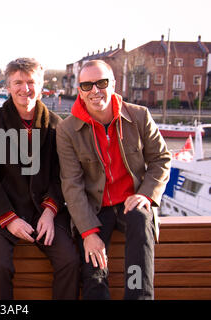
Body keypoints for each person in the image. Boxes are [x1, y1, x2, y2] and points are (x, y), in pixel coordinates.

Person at [56, 59, 171, 300]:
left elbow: (161, 158)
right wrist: (88, 232)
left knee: (141, 219)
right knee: (93, 271)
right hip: (95, 209)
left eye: (101, 82)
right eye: (87, 85)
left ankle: (138, 297)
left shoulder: (139, 116)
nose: (94, 91)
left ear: (114, 84)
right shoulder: (67, 130)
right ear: (80, 91)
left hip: (132, 202)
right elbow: (72, 184)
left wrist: (146, 193)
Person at [0, 57, 80, 300]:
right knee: (0, 267)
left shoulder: (56, 125)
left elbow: (61, 175)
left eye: (31, 82)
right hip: (0, 214)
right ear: (8, 86)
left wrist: (50, 211)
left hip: (43, 212)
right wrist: (9, 219)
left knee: (69, 262)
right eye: (18, 82)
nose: (25, 88)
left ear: (41, 85)